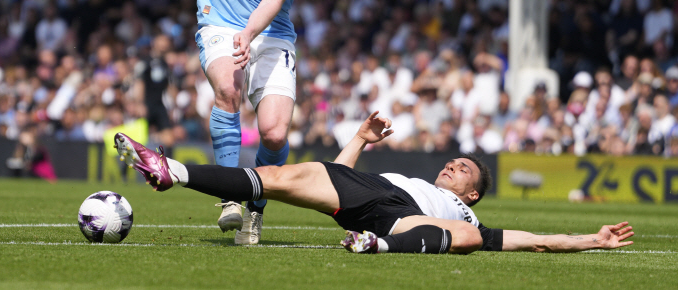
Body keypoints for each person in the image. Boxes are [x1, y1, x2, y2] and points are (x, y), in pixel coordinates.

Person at [114, 112, 634, 254]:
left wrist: (591, 239)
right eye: (452, 163)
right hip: (368, 195)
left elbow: (524, 240)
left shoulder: (466, 213)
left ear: (471, 194)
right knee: (272, 177)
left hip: (405, 218)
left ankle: (379, 246)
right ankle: (171, 170)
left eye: (464, 170)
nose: (453, 167)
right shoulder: (410, 176)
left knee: (475, 240)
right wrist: (360, 138)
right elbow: (343, 177)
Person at [163, 0, 315, 245]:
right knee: (228, 90)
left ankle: (255, 210)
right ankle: (229, 194)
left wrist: (250, 33)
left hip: (269, 30)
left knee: (276, 133)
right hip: (218, 19)